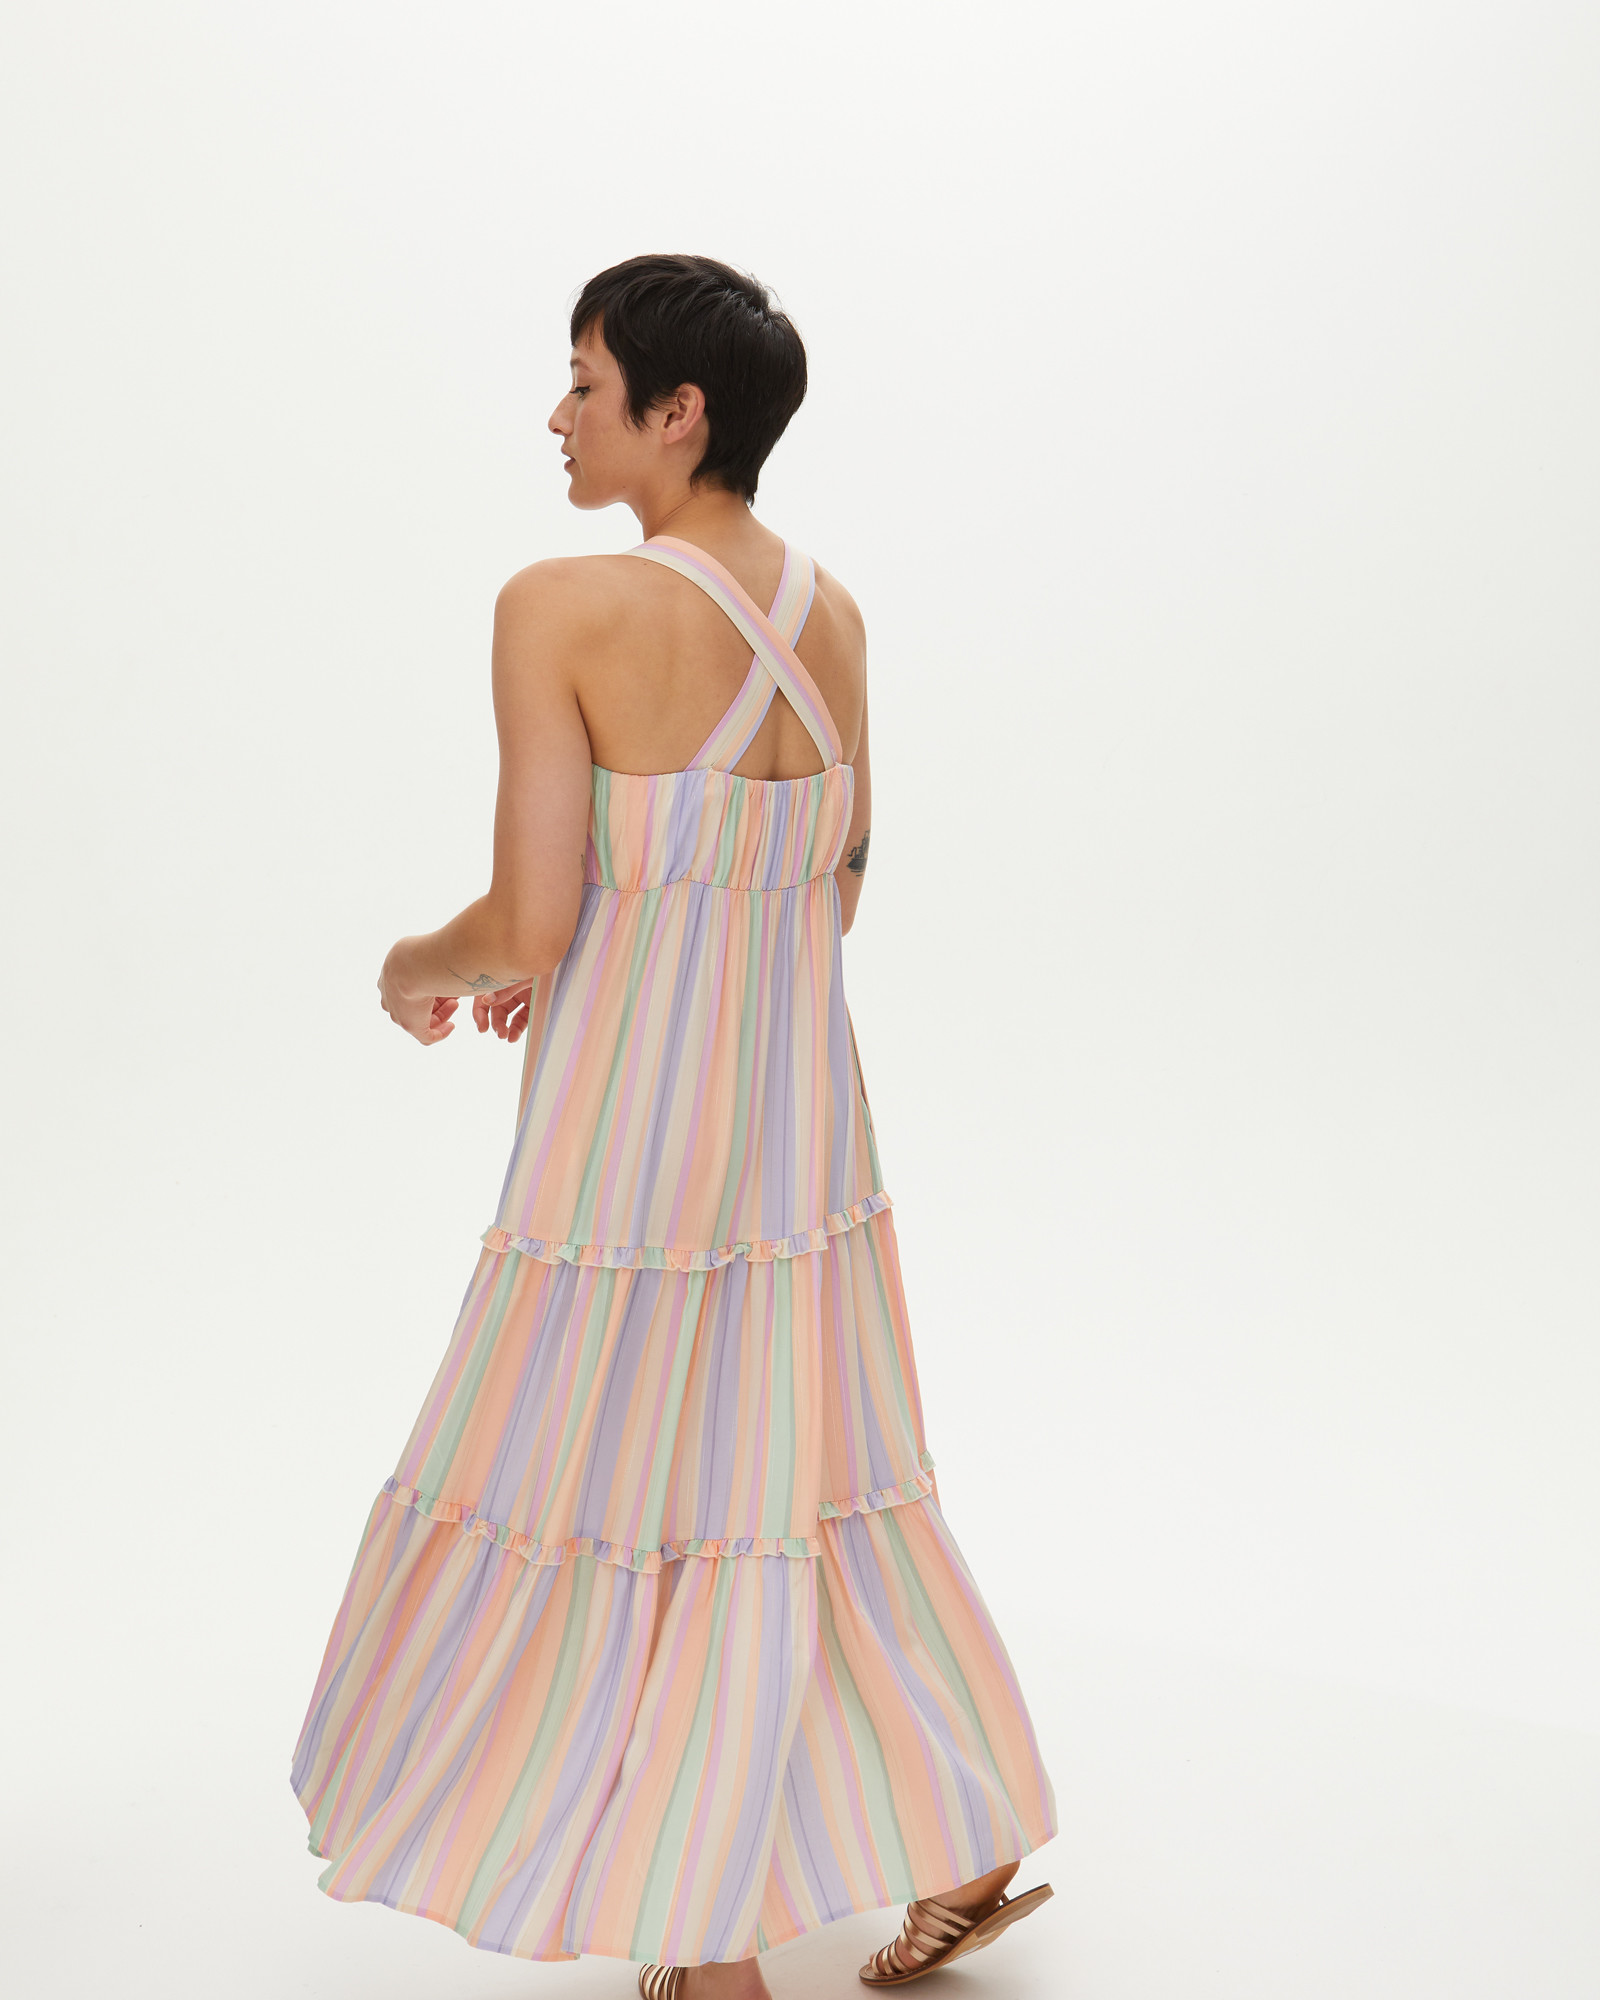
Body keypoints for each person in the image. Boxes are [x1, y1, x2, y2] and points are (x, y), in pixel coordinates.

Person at [290, 254, 1057, 1997]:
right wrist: (624, 938)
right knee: (801, 1465)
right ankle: (952, 1826)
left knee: (612, 1473)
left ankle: (707, 1943)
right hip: (799, 1133)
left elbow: (527, 919)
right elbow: (834, 887)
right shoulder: (833, 615)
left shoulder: (558, 605)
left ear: (677, 412)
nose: (559, 417)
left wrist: (419, 969)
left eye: (584, 383)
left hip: (627, 1143)